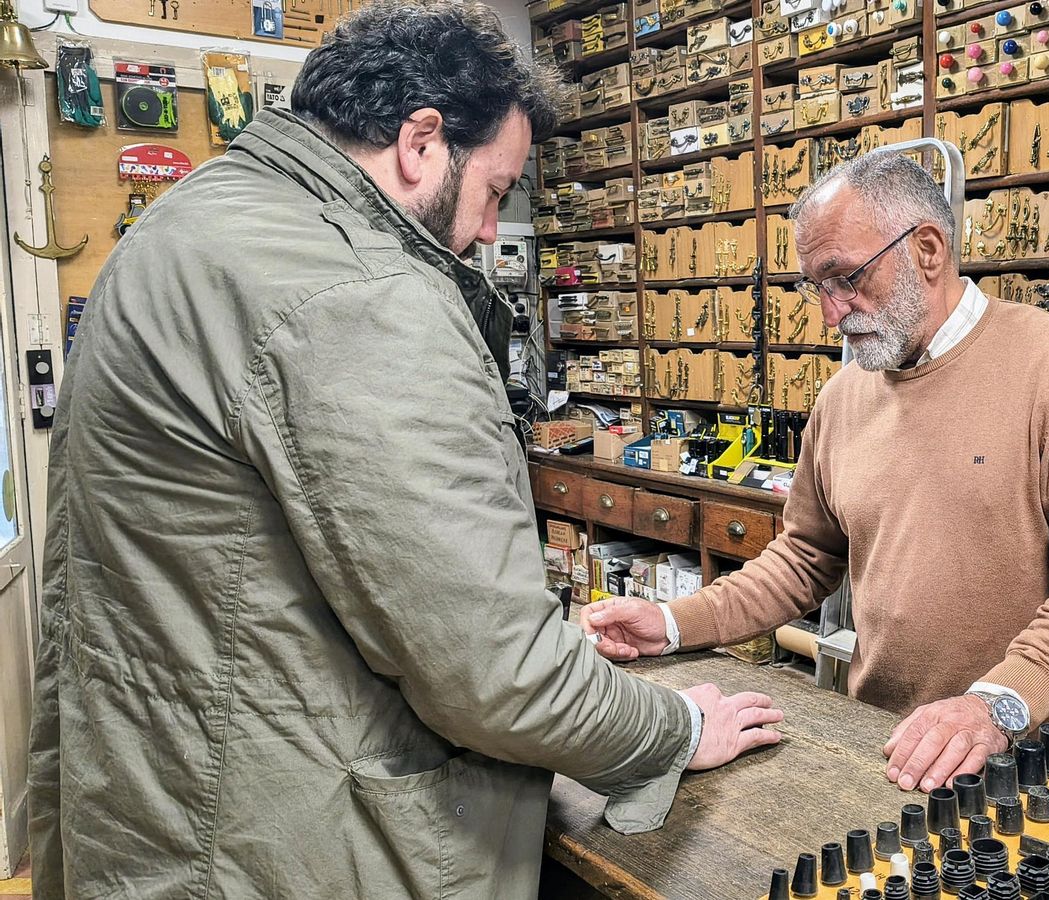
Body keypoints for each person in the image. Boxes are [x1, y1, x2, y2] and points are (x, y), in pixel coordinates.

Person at [28, 2, 781, 896]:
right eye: (497, 190)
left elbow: (254, 569)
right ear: (422, 142)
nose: (492, 230)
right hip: (279, 849)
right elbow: (494, 677)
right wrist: (671, 731)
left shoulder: (193, 223)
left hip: (162, 815)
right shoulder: (357, 289)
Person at [584, 150, 1049, 794]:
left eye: (846, 278)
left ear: (928, 250)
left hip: (1035, 763)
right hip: (886, 748)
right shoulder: (843, 397)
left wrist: (997, 702)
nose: (831, 313)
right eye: (816, 289)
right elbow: (803, 558)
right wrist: (675, 622)